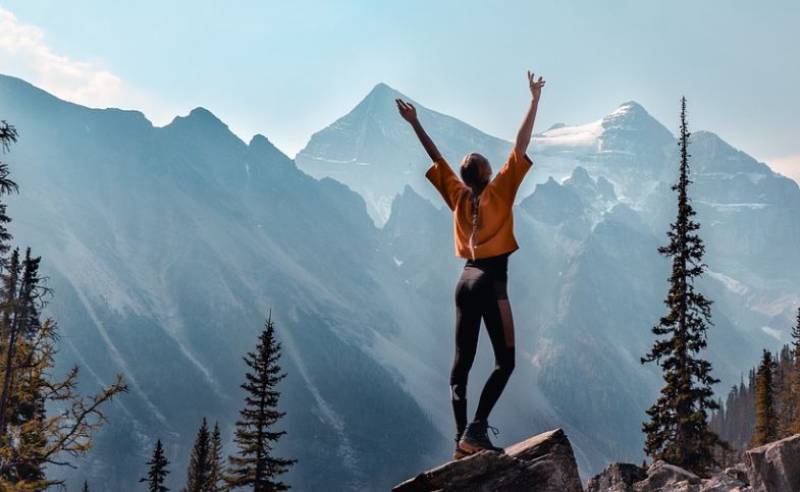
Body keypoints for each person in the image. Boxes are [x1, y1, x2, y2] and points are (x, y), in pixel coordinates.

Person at [396, 71, 545, 459]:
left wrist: (416, 123)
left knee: (461, 363)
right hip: (492, 281)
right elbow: (522, 143)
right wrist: (533, 101)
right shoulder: (500, 191)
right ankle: (477, 430)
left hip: (464, 281)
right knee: (506, 361)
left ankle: (460, 442)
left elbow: (436, 157)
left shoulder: (458, 198)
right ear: (487, 173)